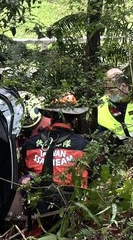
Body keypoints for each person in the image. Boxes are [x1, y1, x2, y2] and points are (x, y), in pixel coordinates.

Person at [7, 93, 90, 229]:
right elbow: (92, 175)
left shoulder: (31, 144)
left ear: (51, 117)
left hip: (38, 209)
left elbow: (22, 170)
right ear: (75, 119)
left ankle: (17, 224)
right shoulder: (84, 145)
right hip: (73, 209)